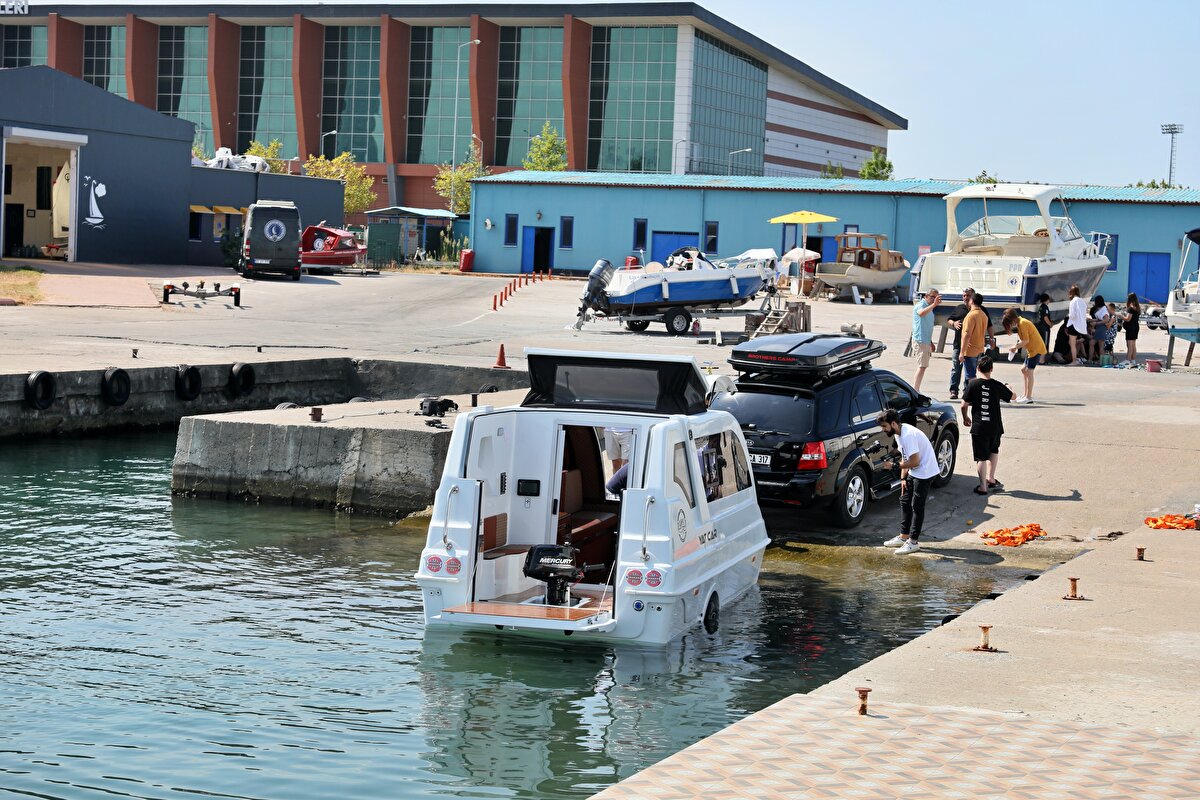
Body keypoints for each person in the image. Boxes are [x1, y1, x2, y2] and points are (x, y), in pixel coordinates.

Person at [877, 409, 940, 555]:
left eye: (884, 426)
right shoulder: (899, 434)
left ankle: (913, 542)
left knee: (917, 506)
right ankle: (903, 536)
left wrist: (893, 466)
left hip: (925, 472)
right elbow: (905, 457)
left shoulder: (908, 435)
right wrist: (903, 478)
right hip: (914, 471)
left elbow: (915, 461)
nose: (883, 429)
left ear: (893, 423)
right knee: (905, 501)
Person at [961, 355, 1014, 495]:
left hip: (979, 427)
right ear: (992, 369)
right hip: (995, 427)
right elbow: (1013, 396)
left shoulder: (973, 384)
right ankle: (991, 478)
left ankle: (983, 486)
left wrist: (965, 417)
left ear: (978, 368)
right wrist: (1008, 387)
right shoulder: (997, 385)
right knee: (994, 450)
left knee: (981, 457)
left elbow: (963, 405)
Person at [1002, 308, 1047, 403]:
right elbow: (1024, 340)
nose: (1010, 325)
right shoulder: (1020, 323)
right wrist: (1015, 346)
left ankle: (1028, 397)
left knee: (1029, 372)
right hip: (1031, 350)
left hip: (1035, 349)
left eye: (1009, 323)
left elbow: (1026, 340)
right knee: (1023, 369)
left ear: (1012, 319)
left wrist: (1015, 347)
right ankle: (1025, 395)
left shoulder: (1022, 323)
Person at [946, 288, 974, 400]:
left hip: (972, 346)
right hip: (958, 345)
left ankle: (967, 391)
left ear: (973, 296)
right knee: (956, 368)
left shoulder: (977, 309)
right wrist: (953, 323)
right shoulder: (959, 308)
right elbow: (949, 319)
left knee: (969, 370)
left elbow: (988, 324)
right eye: (964, 295)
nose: (965, 298)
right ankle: (953, 390)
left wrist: (991, 338)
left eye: (968, 295)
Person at [910, 289, 941, 392]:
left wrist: (931, 342)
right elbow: (921, 313)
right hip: (920, 340)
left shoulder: (929, 308)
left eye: (936, 297)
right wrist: (934, 305)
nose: (934, 299)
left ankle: (916, 389)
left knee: (923, 366)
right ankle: (916, 390)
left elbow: (926, 326)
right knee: (922, 366)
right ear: (926, 296)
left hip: (925, 341)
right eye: (932, 297)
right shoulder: (921, 305)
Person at [959, 292, 989, 384]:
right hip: (980, 349)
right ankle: (971, 391)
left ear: (971, 301)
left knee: (971, 376)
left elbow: (967, 335)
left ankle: (974, 392)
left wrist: (962, 352)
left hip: (970, 350)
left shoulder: (971, 315)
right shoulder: (983, 315)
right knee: (973, 374)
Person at [1066, 285, 1089, 365]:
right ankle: (1076, 358)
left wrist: (1068, 315)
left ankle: (1074, 360)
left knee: (1072, 344)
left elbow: (1072, 315)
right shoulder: (1082, 301)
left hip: (1073, 324)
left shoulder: (1073, 301)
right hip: (1080, 325)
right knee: (1072, 342)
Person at [1121, 293, 1141, 364]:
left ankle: (1128, 360)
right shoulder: (1137, 308)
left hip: (1130, 328)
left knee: (1129, 345)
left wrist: (1121, 316)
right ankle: (1133, 360)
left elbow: (1128, 319)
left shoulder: (1131, 308)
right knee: (1133, 345)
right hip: (1135, 327)